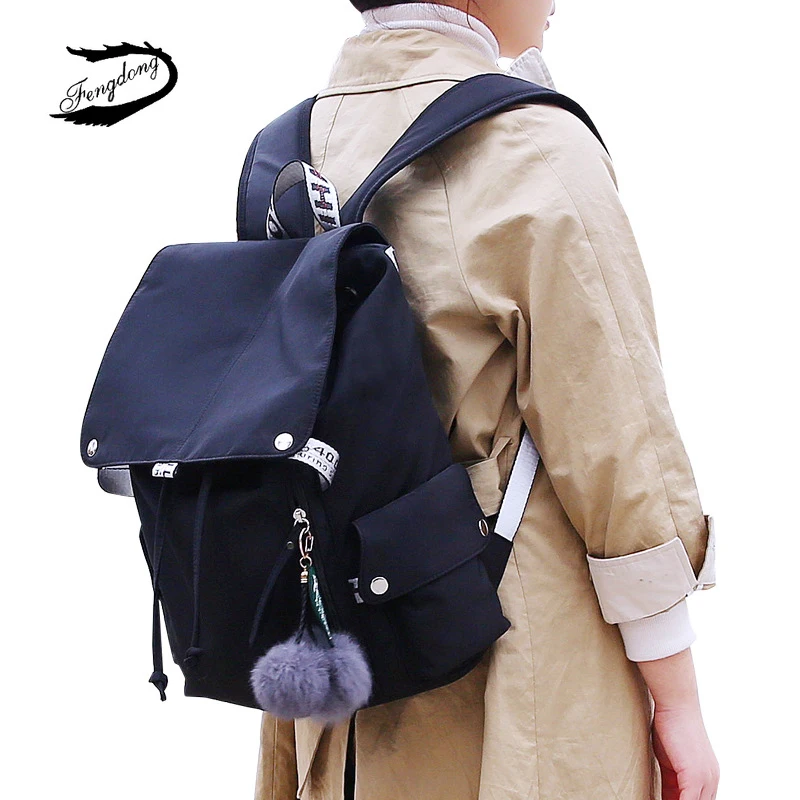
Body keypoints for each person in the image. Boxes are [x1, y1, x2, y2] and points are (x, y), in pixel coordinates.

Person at [253, 2, 720, 799]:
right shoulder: (530, 144)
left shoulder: (286, 152)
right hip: (515, 661)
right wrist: (678, 700)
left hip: (338, 655)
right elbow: (617, 442)